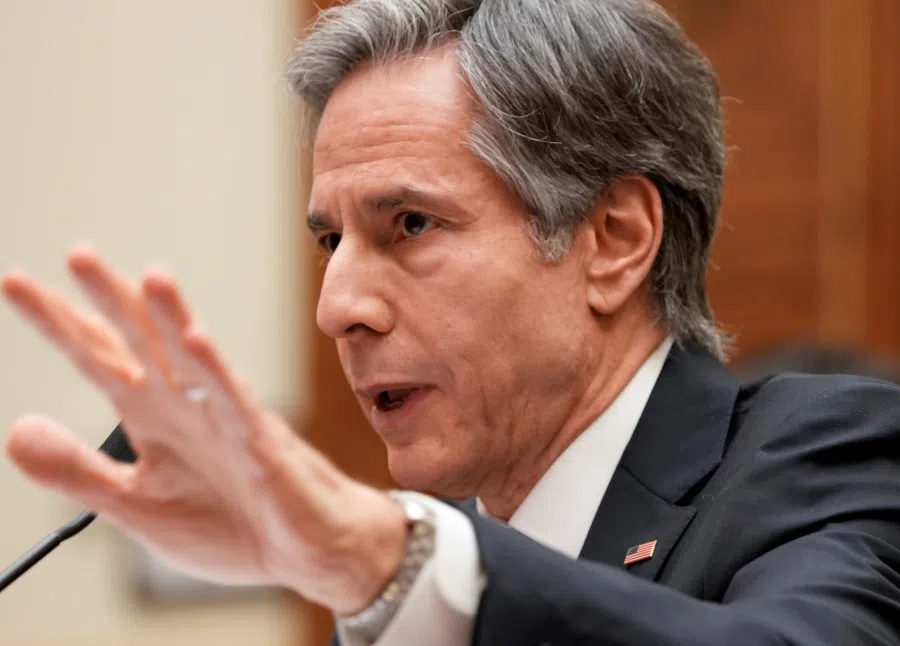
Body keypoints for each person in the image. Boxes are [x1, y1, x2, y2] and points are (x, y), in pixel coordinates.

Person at [3, 0, 900, 644]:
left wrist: (379, 556)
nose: (337, 309)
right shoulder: (444, 558)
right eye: (329, 239)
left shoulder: (829, 455)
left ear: (614, 239)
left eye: (411, 225)